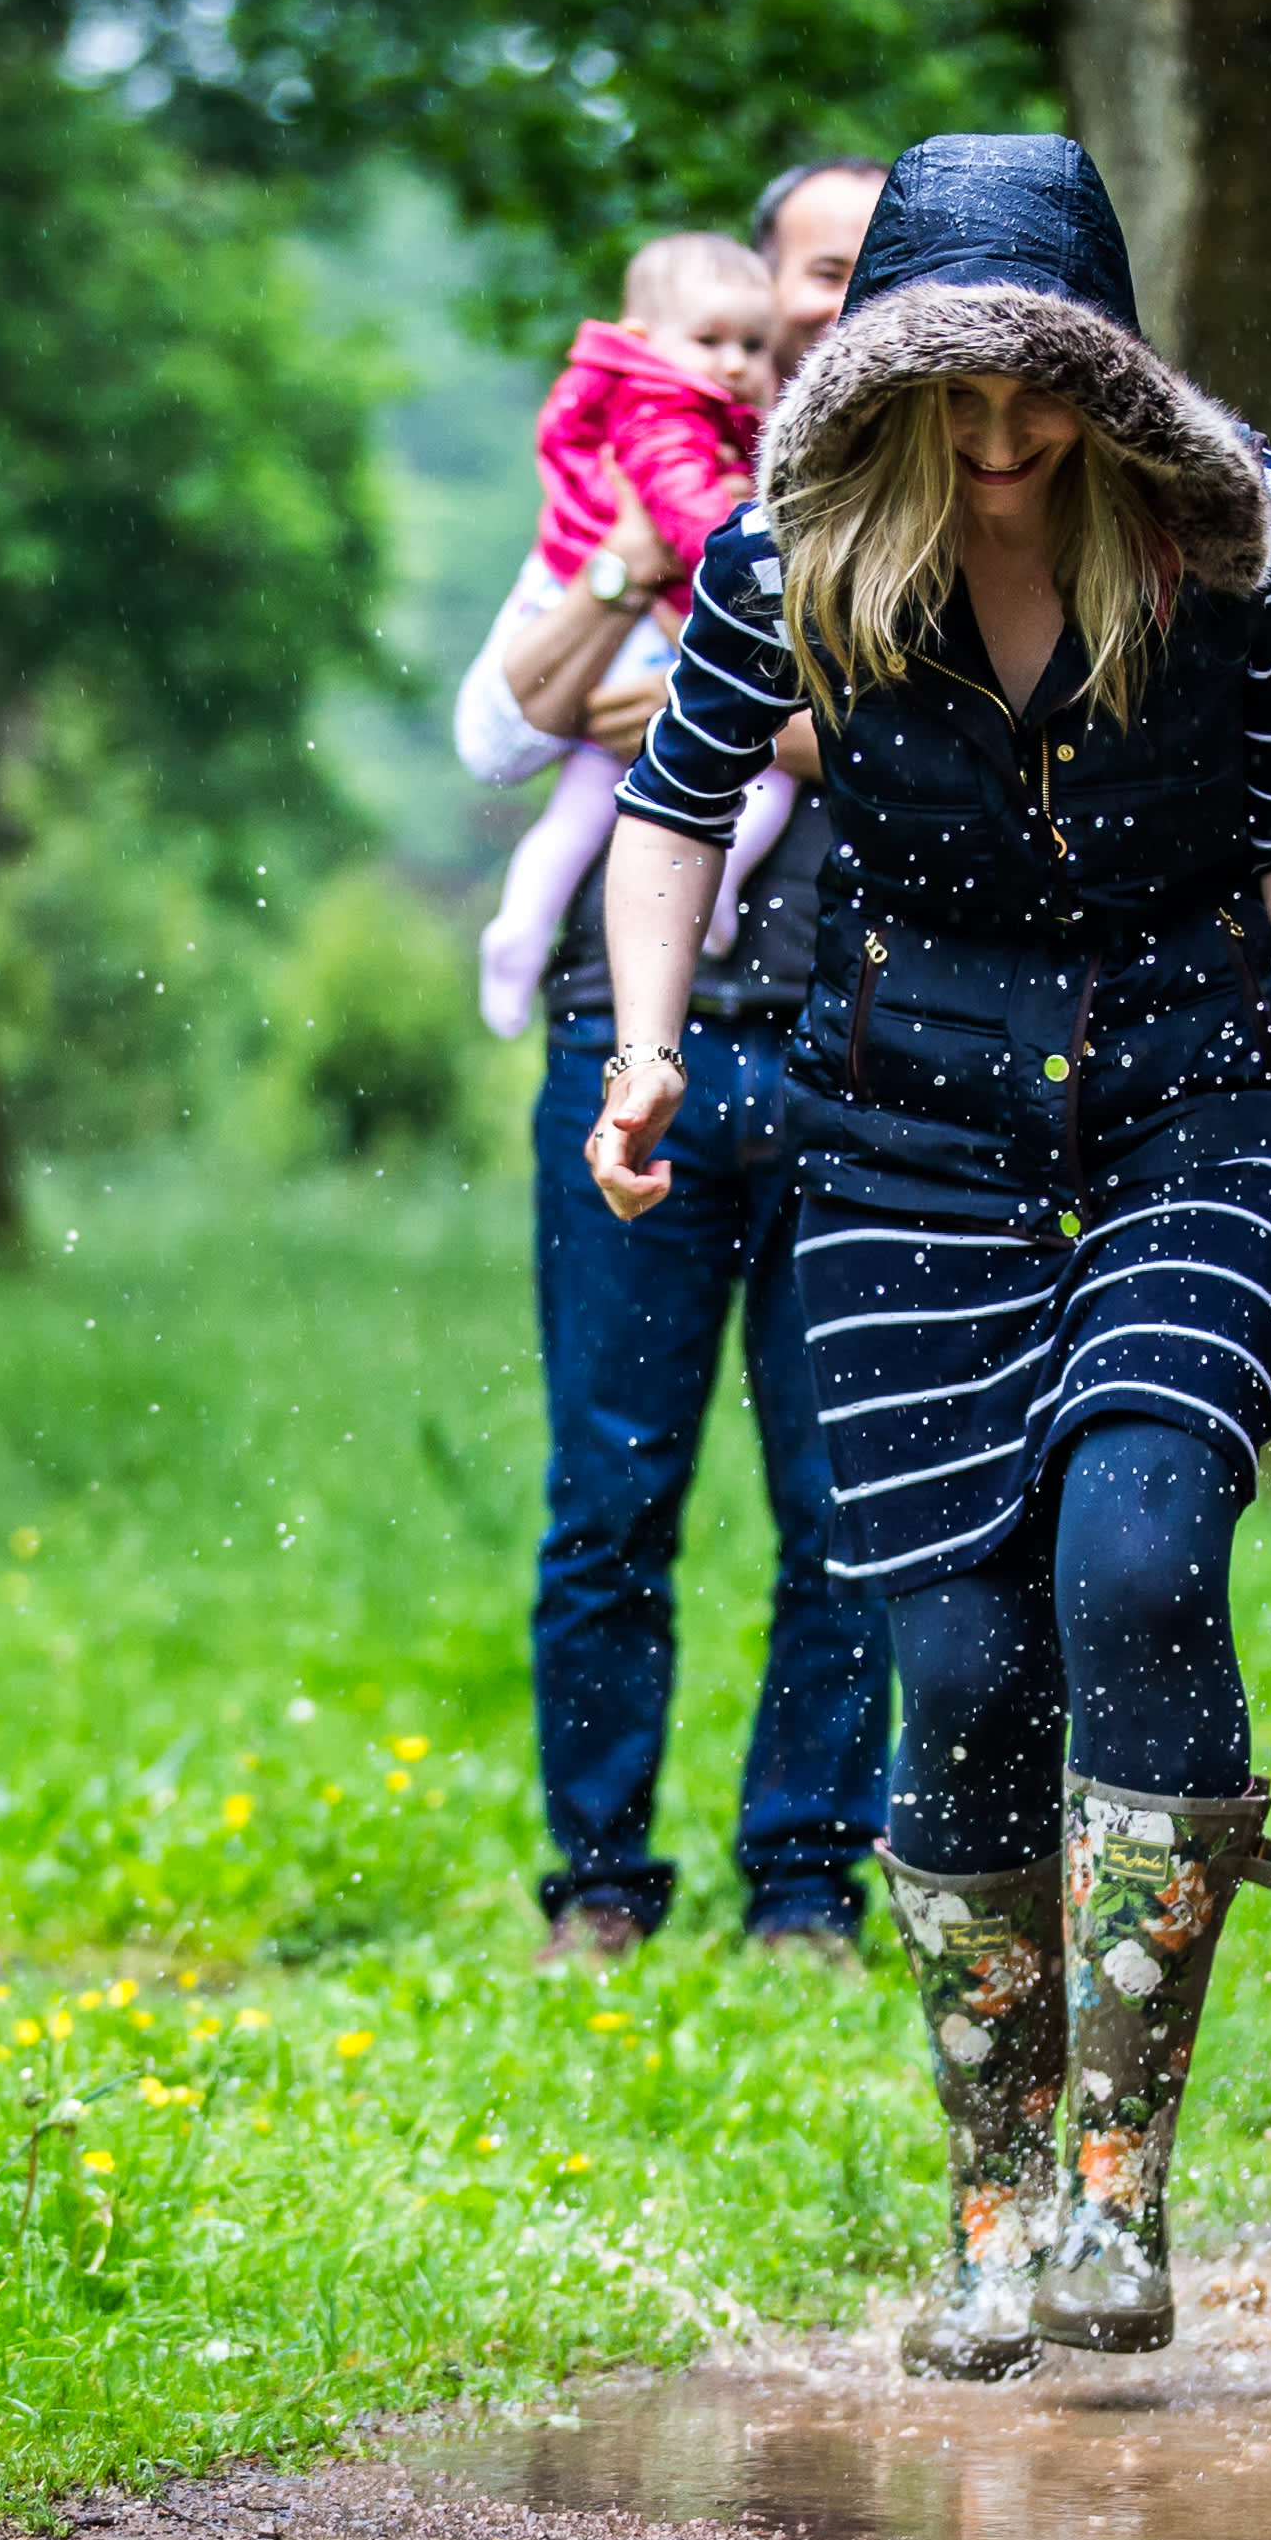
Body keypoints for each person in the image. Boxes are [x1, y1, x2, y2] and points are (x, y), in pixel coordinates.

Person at [584, 133, 1271, 2379]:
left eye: (1039, 391)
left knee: (1138, 1557)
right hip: (907, 1133)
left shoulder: (1239, 529)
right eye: (952, 395)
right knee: (952, 1663)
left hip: (1196, 1108)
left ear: (1106, 375)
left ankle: (1117, 2191)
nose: (999, 440)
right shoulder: (789, 546)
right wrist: (645, 1055)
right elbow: (673, 817)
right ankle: (987, 2200)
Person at [447, 162, 895, 1972]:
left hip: (862, 1065)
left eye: (880, 271)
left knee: (846, 1506)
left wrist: (732, 699)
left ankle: (803, 1884)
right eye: (817, 271)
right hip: (622, 1051)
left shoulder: (935, 494)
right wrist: (644, 604)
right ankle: (600, 1883)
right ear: (758, 296)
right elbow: (502, 725)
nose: (841, 302)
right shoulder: (654, 460)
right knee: (611, 1492)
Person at [476, 232, 799, 1042]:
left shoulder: (688, 410)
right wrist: (749, 559)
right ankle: (708, 887)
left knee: (586, 810)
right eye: (712, 342)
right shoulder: (666, 417)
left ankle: (519, 932)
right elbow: (491, 744)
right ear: (646, 340)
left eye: (751, 348)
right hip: (652, 642)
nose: (733, 363)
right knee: (752, 785)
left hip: (650, 663)